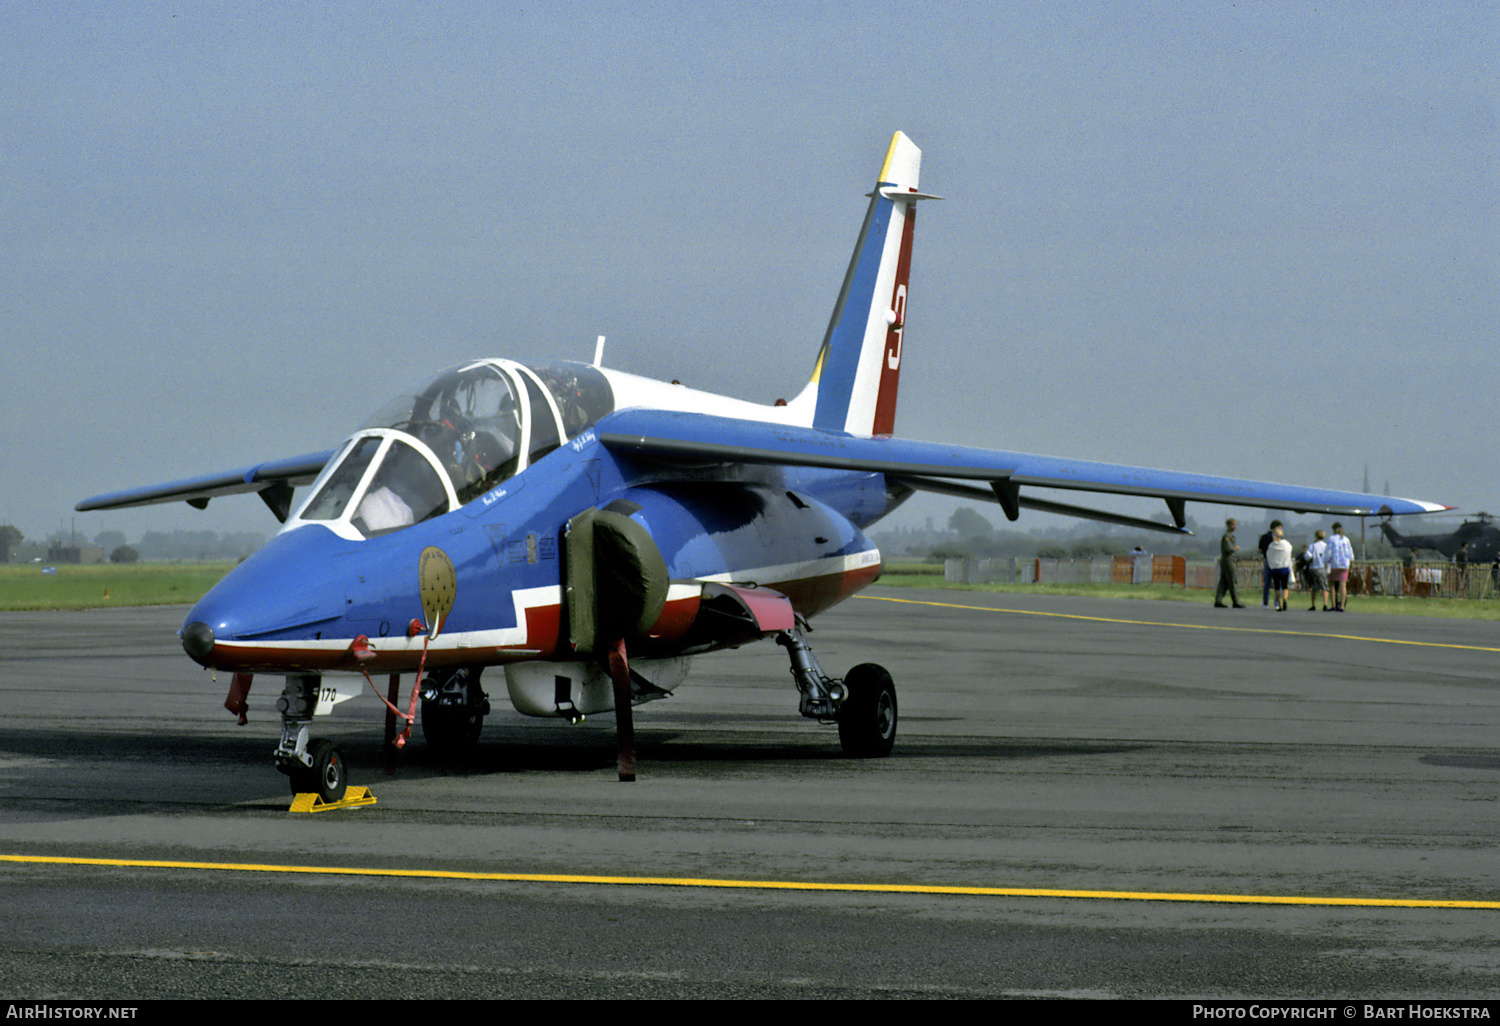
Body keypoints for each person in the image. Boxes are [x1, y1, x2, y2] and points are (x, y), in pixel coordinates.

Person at [1215, 517, 1245, 608]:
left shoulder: (1229, 536)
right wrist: (1235, 548)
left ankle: (1218, 600)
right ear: (1228, 526)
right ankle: (1236, 601)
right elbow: (1227, 549)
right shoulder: (1227, 536)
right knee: (1232, 580)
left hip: (1226, 561)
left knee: (1223, 582)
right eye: (1233, 525)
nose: (1235, 527)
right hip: (1228, 561)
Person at [1327, 522, 1354, 612]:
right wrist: (1351, 564)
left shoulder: (1331, 539)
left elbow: (1328, 552)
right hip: (1344, 564)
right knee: (1343, 586)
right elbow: (1350, 553)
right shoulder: (1346, 539)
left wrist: (1325, 562)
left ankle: (1334, 604)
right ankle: (1342, 606)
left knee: (1331, 585)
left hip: (1334, 564)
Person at [1265, 524, 1293, 611]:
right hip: (1284, 568)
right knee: (1284, 586)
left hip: (1275, 569)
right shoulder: (1286, 544)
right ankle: (1285, 599)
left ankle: (1279, 604)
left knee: (1277, 586)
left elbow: (1268, 556)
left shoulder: (1271, 546)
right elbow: (1289, 551)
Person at [1304, 529, 1330, 611]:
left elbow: (1307, 556)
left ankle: (1313, 604)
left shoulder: (1312, 546)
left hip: (1313, 567)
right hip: (1322, 567)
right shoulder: (1326, 546)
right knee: (1324, 587)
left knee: (1314, 587)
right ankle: (1325, 604)